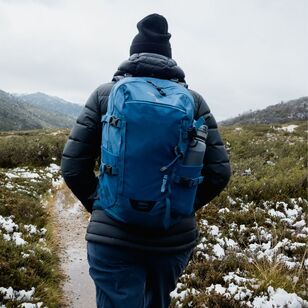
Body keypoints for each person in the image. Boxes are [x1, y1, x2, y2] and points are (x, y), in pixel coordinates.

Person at [61, 13, 231, 308]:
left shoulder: (105, 94)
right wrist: (179, 205)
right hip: (173, 240)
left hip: (113, 238)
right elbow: (219, 173)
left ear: (131, 55)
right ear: (170, 59)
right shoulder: (195, 101)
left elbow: (73, 167)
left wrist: (106, 204)